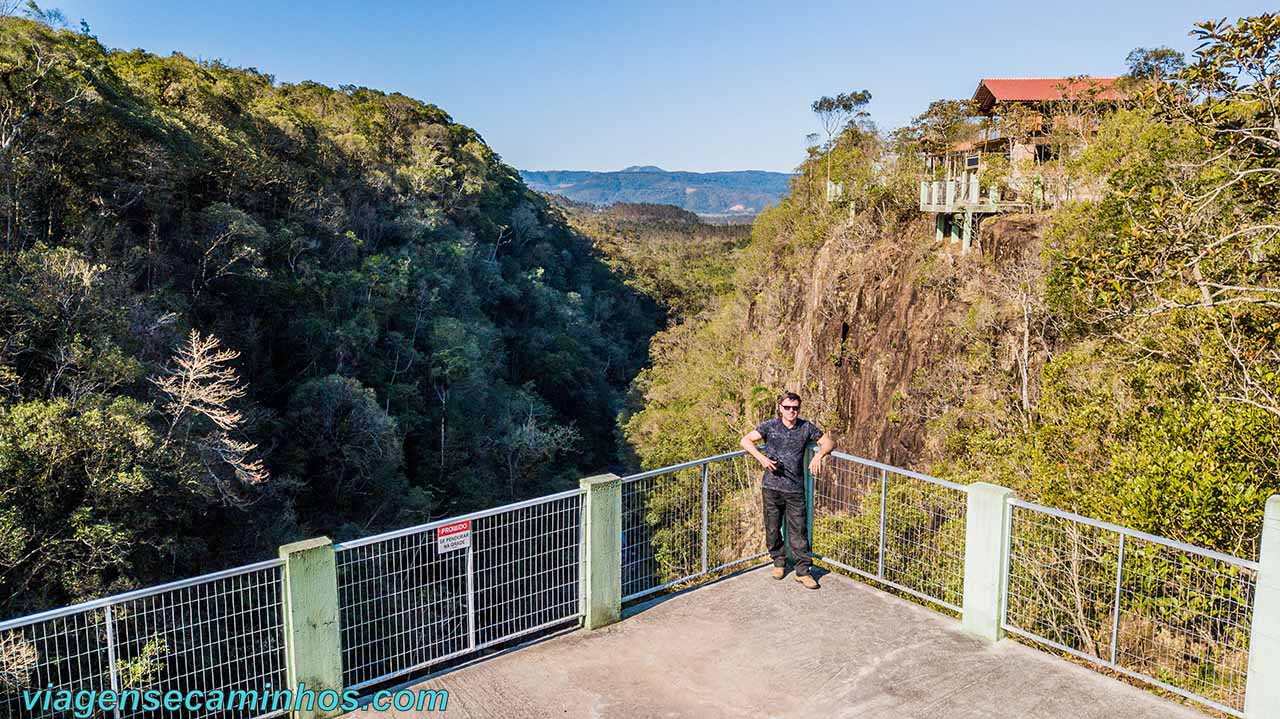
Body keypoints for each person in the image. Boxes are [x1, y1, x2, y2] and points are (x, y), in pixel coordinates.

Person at [740, 392, 835, 589]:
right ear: (780, 408)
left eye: (795, 408)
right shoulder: (770, 426)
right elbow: (746, 441)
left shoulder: (805, 427)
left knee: (798, 530)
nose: (791, 411)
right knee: (772, 527)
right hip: (771, 486)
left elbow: (829, 442)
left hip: (795, 488)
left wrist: (818, 456)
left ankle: (802, 571)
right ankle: (778, 561)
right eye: (787, 407)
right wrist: (762, 458)